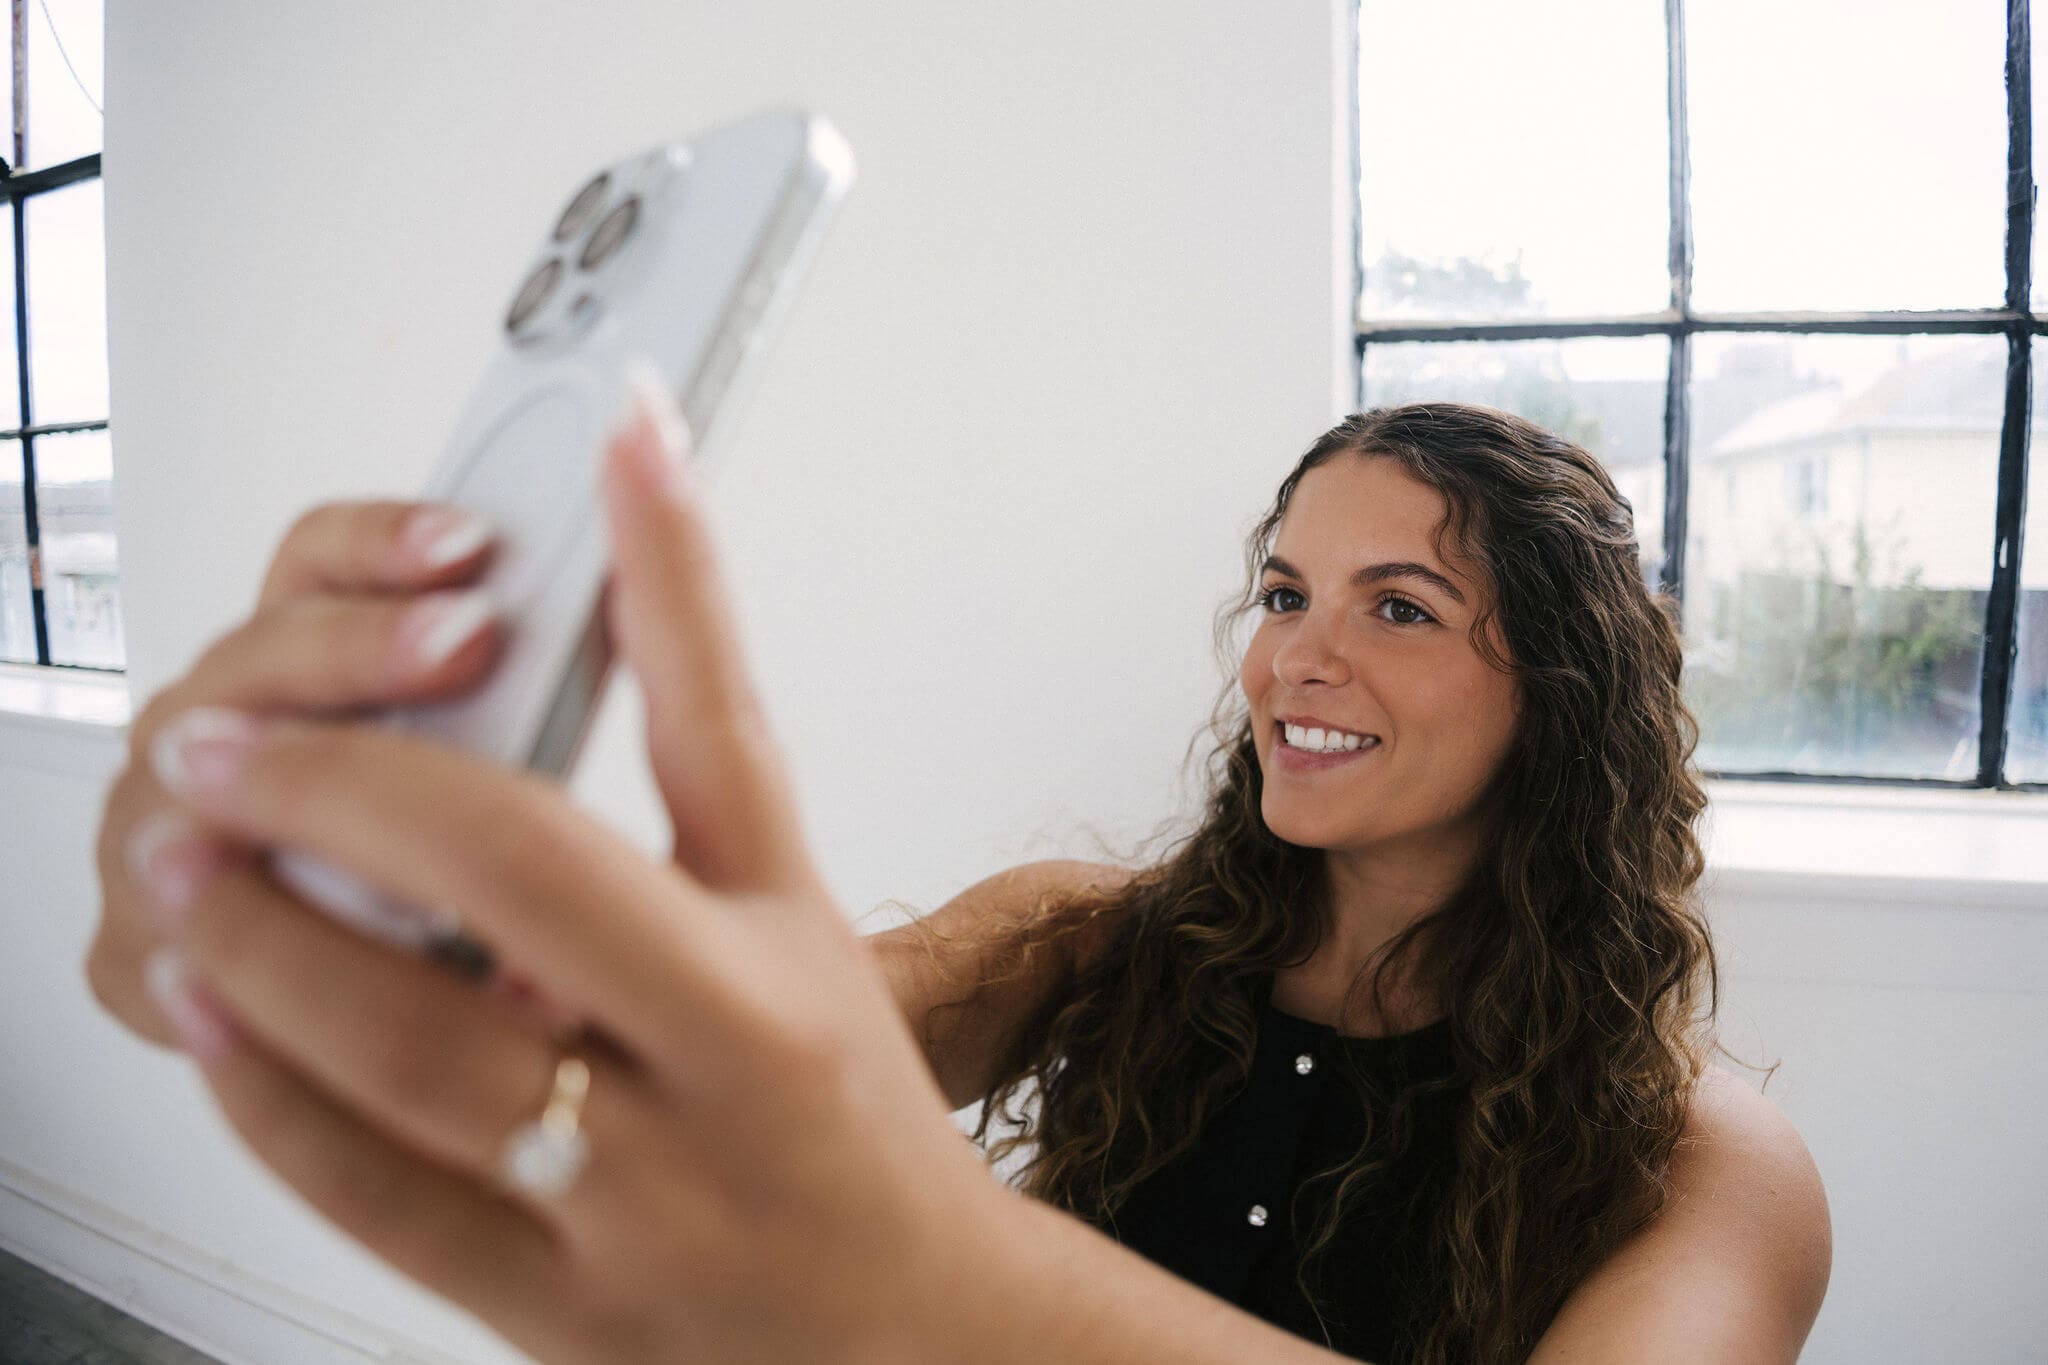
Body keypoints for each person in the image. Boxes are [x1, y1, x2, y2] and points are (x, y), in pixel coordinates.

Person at [88, 379, 1831, 1363]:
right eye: (1288, 593)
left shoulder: (1707, 1164)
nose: (1301, 655)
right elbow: (774, 1042)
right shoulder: (1092, 939)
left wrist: (927, 1282)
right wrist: (362, 918)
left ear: (1564, 695)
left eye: (1401, 606)